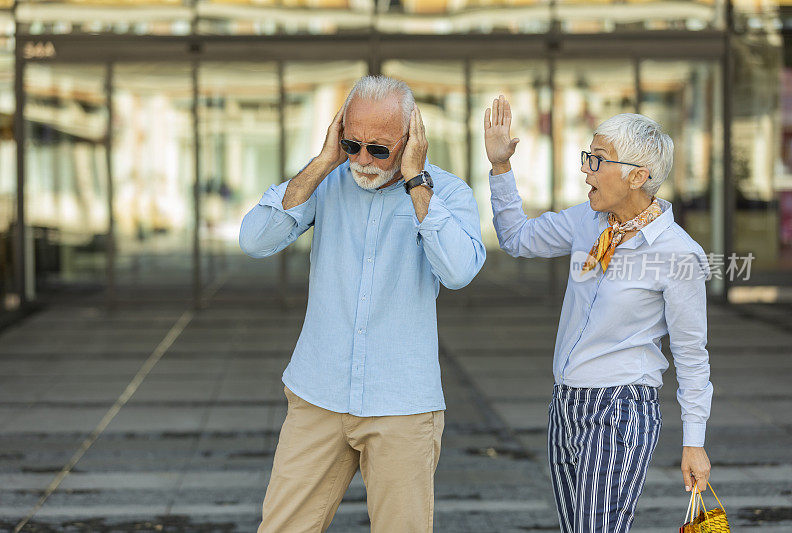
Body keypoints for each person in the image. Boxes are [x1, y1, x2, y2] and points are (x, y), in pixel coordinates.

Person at [239, 75, 486, 532]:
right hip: (318, 394)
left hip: (402, 406)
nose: (363, 160)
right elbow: (255, 240)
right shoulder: (329, 180)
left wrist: (416, 182)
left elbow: (458, 272)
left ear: (412, 139)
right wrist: (323, 161)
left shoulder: (446, 194)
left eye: (379, 148)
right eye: (353, 144)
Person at [483, 95, 713, 533]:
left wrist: (693, 443)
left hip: (621, 407)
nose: (585, 169)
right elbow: (515, 238)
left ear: (637, 176)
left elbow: (691, 354)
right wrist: (500, 167)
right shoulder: (587, 223)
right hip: (566, 404)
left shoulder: (680, 254)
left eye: (597, 160)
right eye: (588, 157)